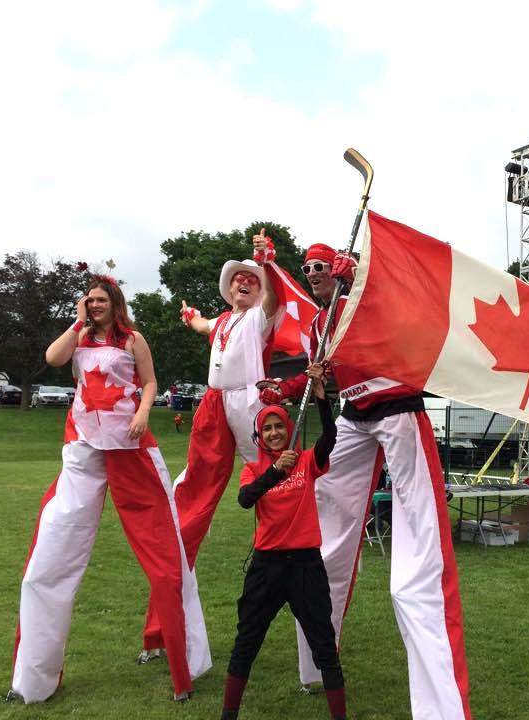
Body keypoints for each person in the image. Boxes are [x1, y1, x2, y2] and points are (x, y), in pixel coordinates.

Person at [259, 243, 472, 720]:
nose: (314, 274)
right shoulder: (319, 324)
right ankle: (318, 657)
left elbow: (396, 302)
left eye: (322, 267)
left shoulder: (364, 301)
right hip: (354, 415)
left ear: (336, 270)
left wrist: (356, 278)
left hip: (396, 408)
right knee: (324, 521)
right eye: (308, 269)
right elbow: (317, 375)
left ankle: (441, 700)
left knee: (420, 533)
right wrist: (287, 386)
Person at [8, 275, 211, 704]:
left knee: (164, 553)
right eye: (90, 300)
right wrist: (76, 321)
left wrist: (142, 413)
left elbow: (151, 382)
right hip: (84, 446)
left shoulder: (133, 339)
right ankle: (32, 679)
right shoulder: (79, 338)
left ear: (115, 303)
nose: (95, 305)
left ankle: (185, 660)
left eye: (101, 300)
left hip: (131, 448)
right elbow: (53, 357)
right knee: (51, 550)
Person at [140, 232, 282, 660]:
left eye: (251, 279)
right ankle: (162, 624)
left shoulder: (260, 317)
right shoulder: (221, 322)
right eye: (238, 278)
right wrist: (190, 316)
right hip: (215, 403)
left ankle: (289, 572)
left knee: (276, 489)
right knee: (190, 504)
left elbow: (274, 299)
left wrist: (268, 263)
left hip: (251, 401)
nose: (244, 282)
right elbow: (203, 324)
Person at [220, 364, 346, 720]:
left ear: (288, 429)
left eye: (279, 426)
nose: (275, 433)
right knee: (246, 642)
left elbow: (329, 440)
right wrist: (276, 472)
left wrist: (322, 399)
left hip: (306, 566)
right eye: (268, 429)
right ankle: (229, 713)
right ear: (260, 436)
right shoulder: (255, 468)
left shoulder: (306, 461)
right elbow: (246, 499)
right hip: (267, 567)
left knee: (324, 646)